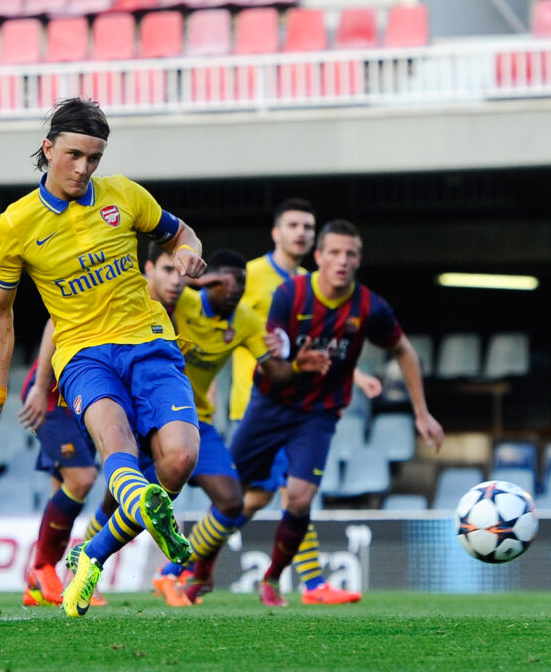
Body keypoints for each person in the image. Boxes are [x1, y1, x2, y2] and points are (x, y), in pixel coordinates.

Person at [0, 97, 207, 618]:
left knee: (180, 461)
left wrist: (187, 249)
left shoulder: (125, 196)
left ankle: (91, 554)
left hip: (151, 344)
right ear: (48, 148)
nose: (84, 168)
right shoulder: (15, 225)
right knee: (113, 442)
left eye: (94, 158)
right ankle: (142, 514)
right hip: (83, 357)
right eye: (74, 155)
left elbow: (181, 232)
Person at [230, 219, 444, 606]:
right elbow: (242, 335)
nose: (342, 260)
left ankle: (291, 583)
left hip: (314, 412)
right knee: (240, 497)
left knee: (296, 495)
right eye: (294, 225)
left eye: (350, 253)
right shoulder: (265, 283)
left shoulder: (362, 304)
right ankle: (182, 569)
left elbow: (379, 349)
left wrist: (413, 408)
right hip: (260, 402)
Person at [229, 198, 381, 605]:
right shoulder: (253, 276)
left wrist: (359, 376)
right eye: (294, 225)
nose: (301, 232)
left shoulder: (313, 284)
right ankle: (312, 585)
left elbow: (321, 348)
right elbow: (226, 327)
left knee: (271, 495)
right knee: (291, 492)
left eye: (308, 227)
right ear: (276, 232)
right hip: (259, 401)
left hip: (300, 401)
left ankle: (183, 565)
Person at [142, 246, 291, 607]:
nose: (238, 289)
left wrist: (290, 351)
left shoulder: (246, 321)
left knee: (231, 501)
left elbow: (279, 374)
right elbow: (150, 294)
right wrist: (198, 281)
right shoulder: (184, 302)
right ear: (209, 282)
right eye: (229, 282)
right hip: (149, 416)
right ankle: (82, 568)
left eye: (243, 282)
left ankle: (175, 572)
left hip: (197, 420)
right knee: (117, 502)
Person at [16, 318, 106, 608]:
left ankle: (46, 583)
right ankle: (41, 568)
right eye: (167, 269)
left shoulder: (154, 308)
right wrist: (41, 388)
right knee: (82, 479)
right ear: (150, 269)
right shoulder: (110, 286)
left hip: (84, 397)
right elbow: (55, 323)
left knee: (65, 491)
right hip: (54, 398)